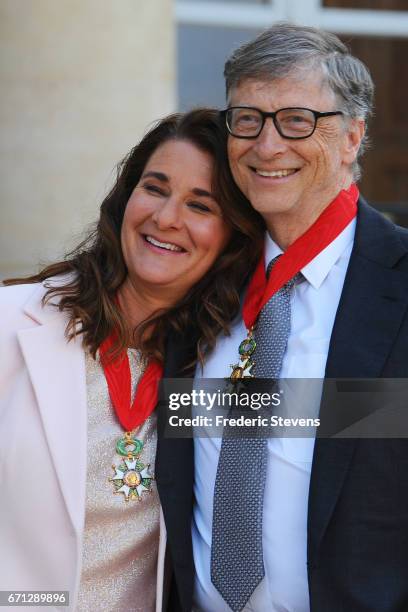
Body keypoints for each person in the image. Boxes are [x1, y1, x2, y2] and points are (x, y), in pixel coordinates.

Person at [157, 24, 408, 612]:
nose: (267, 146)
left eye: (297, 121)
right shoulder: (198, 278)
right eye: (248, 119)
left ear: (352, 137)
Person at [0, 109, 265, 612]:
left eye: (201, 206)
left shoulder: (214, 367)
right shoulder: (10, 325)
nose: (167, 218)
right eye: (155, 188)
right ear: (126, 197)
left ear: (232, 237)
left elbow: (355, 421)